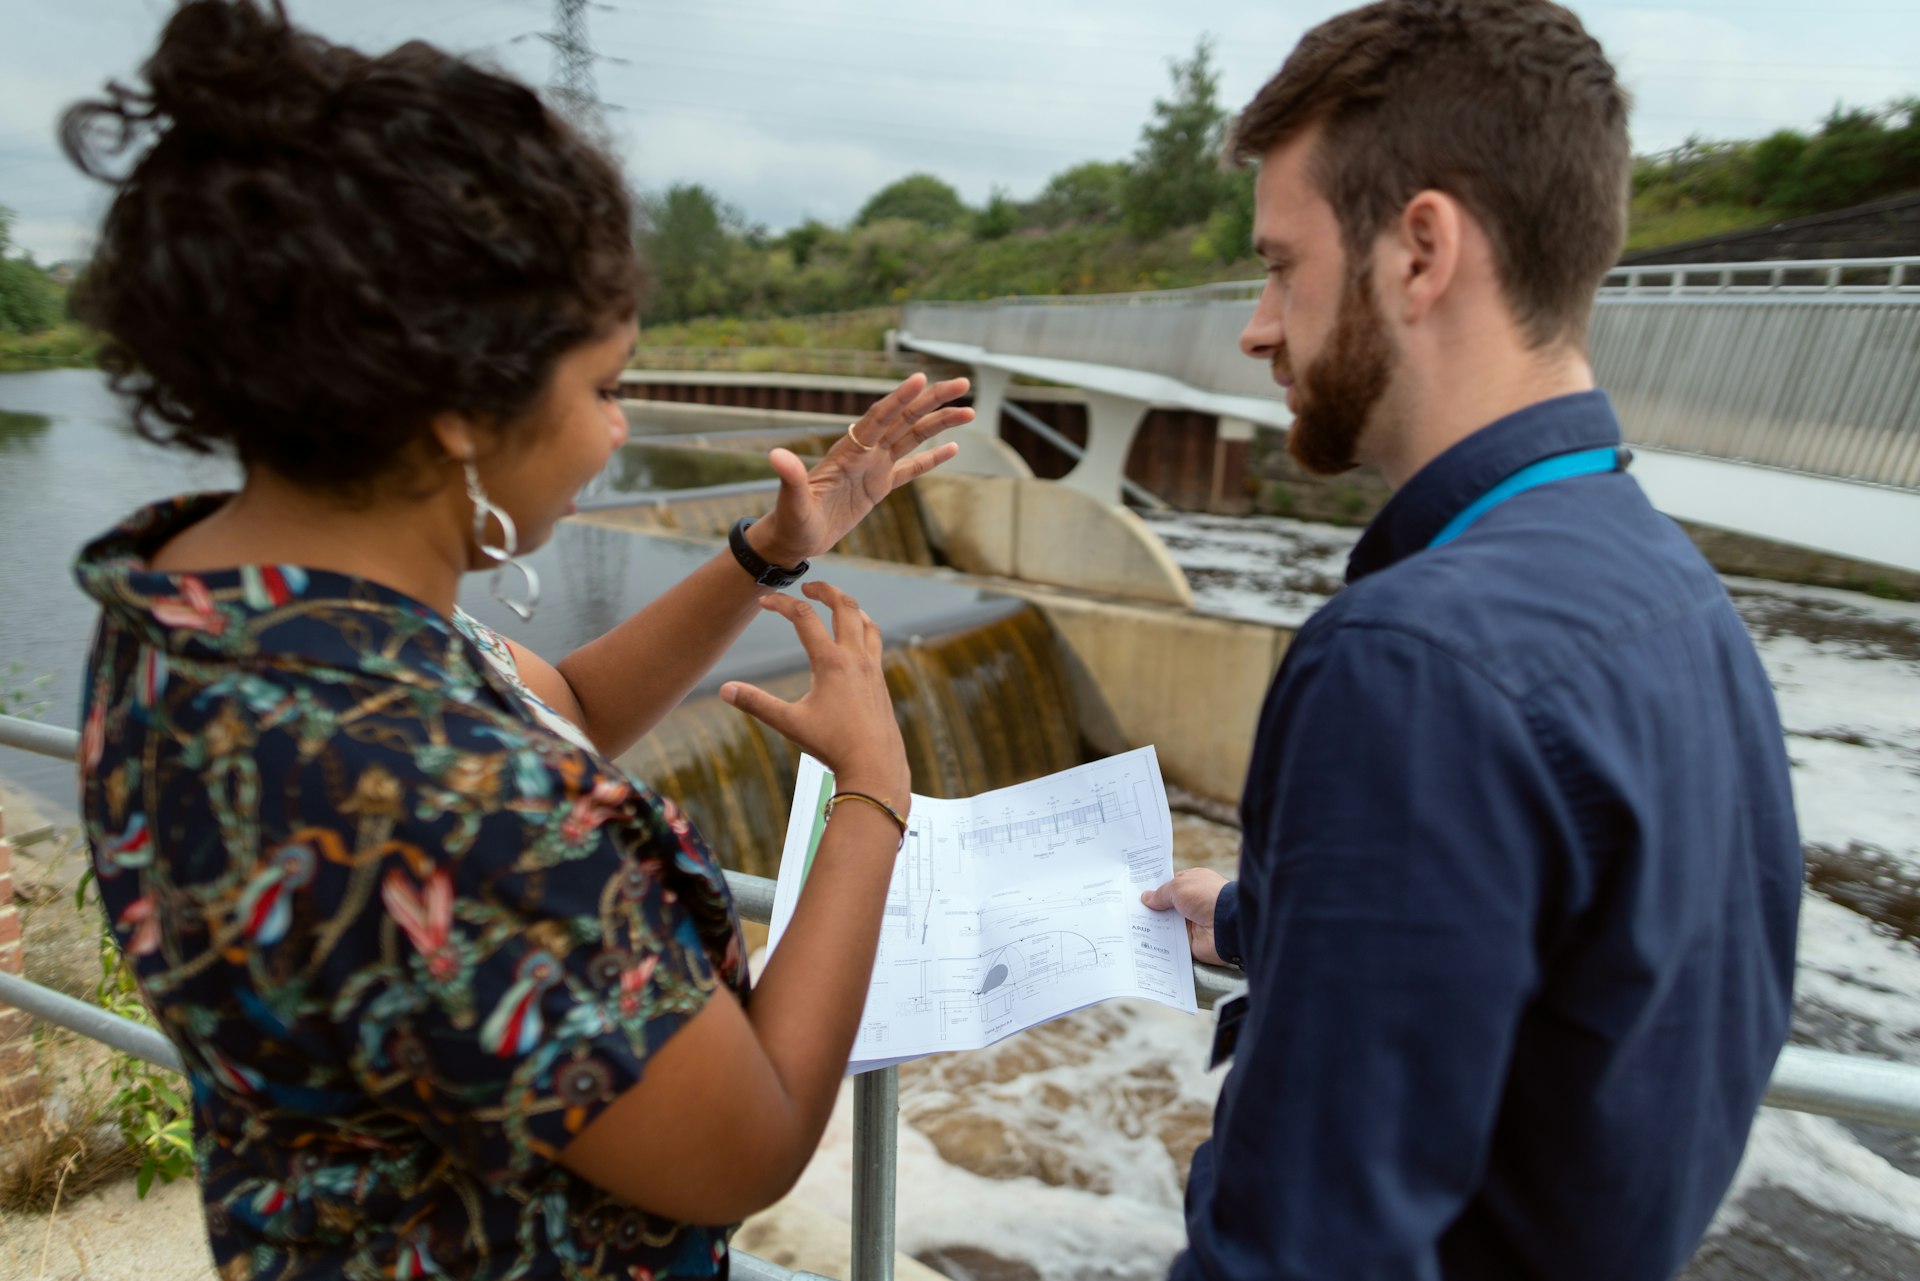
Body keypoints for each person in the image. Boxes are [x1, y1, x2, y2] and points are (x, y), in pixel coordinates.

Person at [64, 2, 971, 1277]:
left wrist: (774, 550)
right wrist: (874, 793)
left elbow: (562, 713)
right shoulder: (429, 787)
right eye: (603, 387)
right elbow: (749, 1142)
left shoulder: (200, 610)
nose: (615, 432)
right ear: (454, 404)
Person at [1141, 2, 1802, 1278]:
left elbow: (1304, 1257)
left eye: (1284, 266)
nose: (1258, 327)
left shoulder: (1411, 662)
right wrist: (1262, 922)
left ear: (1421, 252)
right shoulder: (1678, 596)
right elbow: (1574, 986)